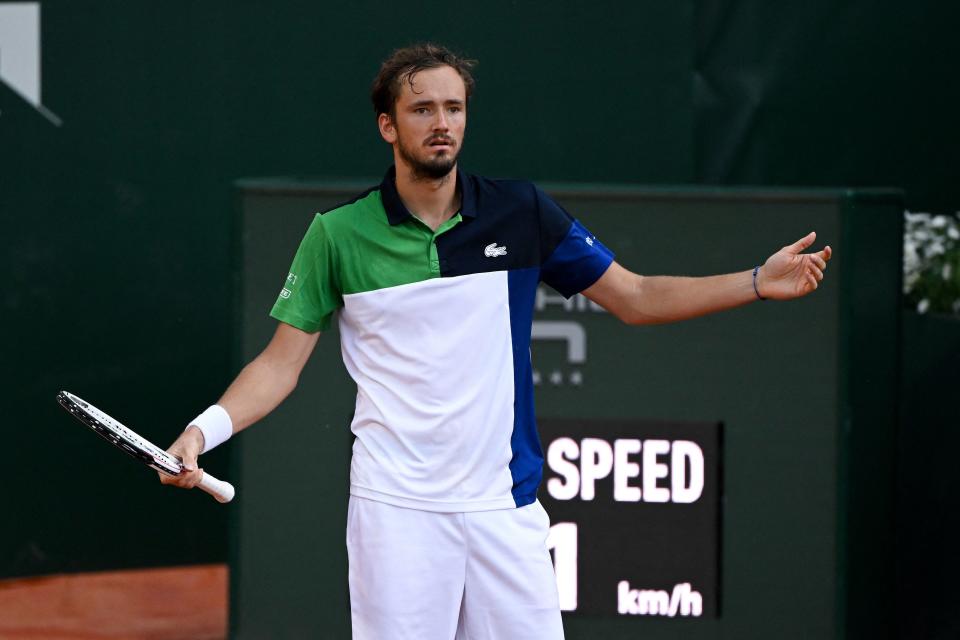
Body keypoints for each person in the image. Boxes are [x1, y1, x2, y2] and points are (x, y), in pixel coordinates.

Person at [160, 43, 831, 639]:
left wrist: (753, 281)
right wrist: (202, 431)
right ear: (388, 126)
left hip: (504, 511)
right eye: (422, 109)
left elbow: (636, 297)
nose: (442, 122)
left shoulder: (522, 211)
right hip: (396, 513)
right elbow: (280, 365)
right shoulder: (336, 235)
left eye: (454, 107)